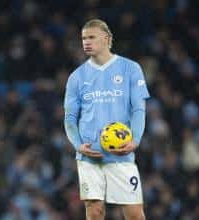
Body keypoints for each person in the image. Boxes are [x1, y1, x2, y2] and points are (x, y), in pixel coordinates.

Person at [64, 19, 150, 220]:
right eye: (84, 38)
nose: (86, 42)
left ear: (107, 38)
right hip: (89, 155)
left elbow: (139, 109)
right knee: (95, 212)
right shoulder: (76, 77)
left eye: (91, 37)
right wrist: (77, 145)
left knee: (135, 214)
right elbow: (69, 118)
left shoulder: (130, 68)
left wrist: (135, 140)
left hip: (120, 153)